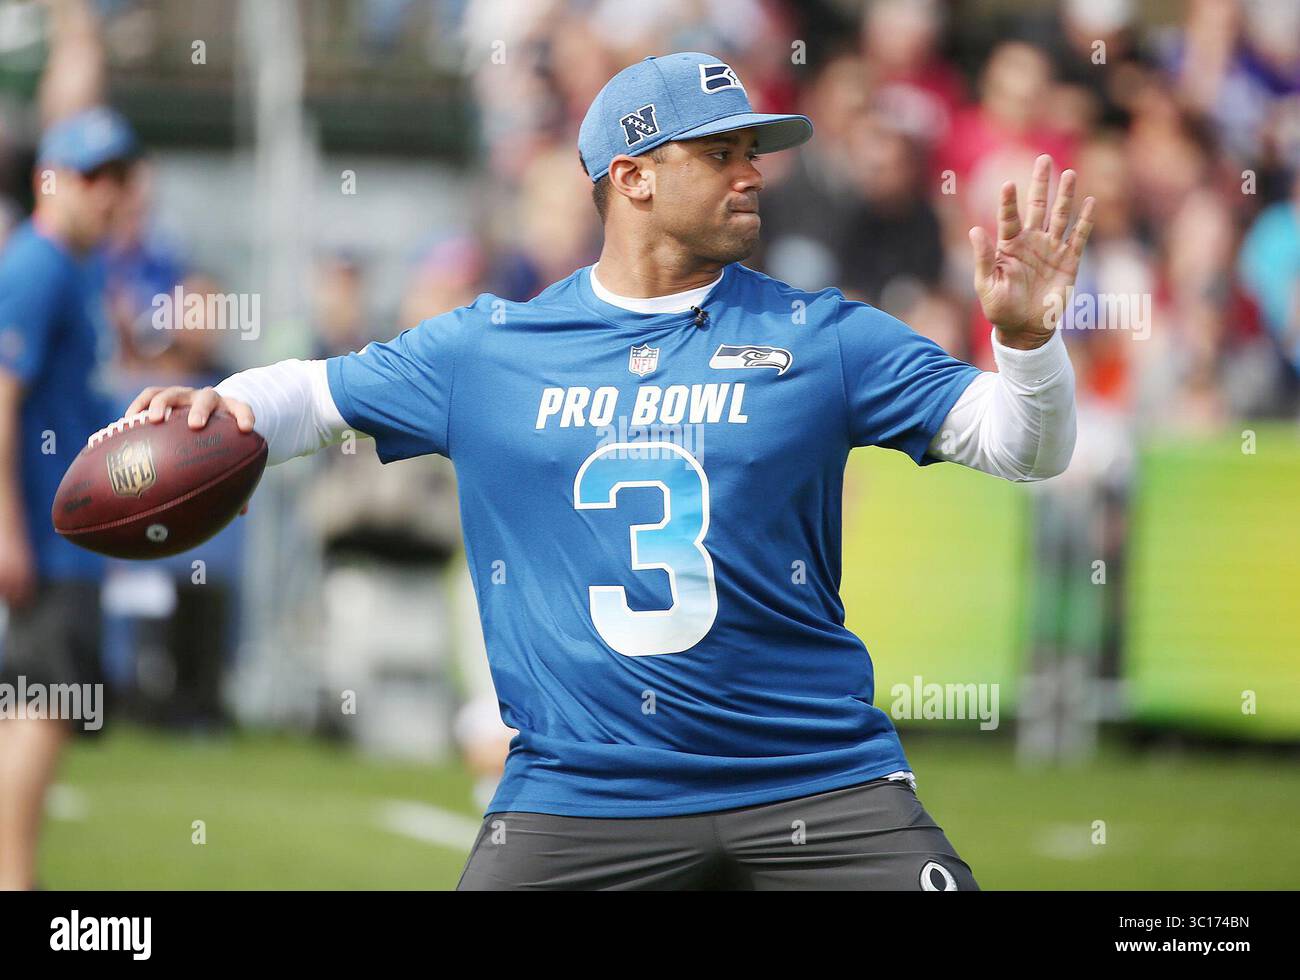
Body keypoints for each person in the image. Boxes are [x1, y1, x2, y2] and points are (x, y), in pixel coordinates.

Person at [121, 52, 1093, 890]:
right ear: (630, 176)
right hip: (585, 788)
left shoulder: (820, 336)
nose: (751, 173)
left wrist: (1027, 342)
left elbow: (1025, 445)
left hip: (812, 776)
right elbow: (315, 394)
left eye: (753, 151)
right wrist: (226, 407)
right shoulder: (491, 349)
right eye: (719, 153)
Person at [0, 106, 136, 890]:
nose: (110, 193)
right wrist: (9, 531)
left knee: (43, 709)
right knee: (41, 710)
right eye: (93, 176)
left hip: (70, 536)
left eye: (118, 175)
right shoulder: (37, 265)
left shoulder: (81, 268)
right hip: (43, 536)